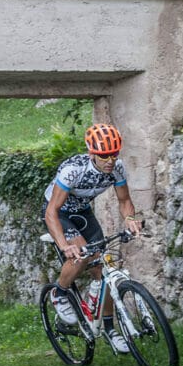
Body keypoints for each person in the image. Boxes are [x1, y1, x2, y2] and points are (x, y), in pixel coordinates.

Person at [41, 123, 143, 342]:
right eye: (104, 155)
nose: (110, 160)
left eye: (114, 155)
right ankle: (59, 293)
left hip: (83, 212)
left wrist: (131, 220)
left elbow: (124, 200)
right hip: (60, 212)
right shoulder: (73, 170)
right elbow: (52, 211)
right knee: (81, 253)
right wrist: (64, 244)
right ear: (92, 153)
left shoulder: (117, 168)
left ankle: (109, 329)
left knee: (104, 270)